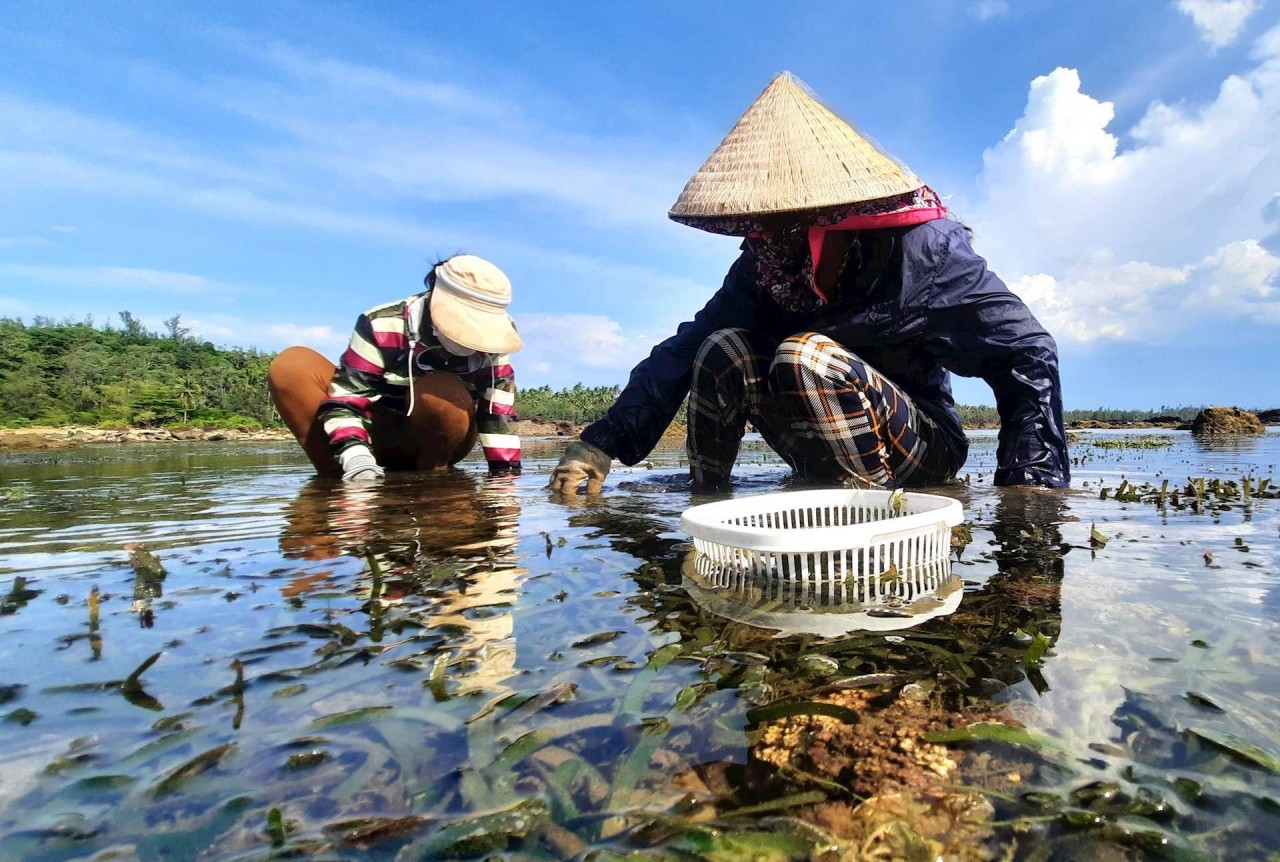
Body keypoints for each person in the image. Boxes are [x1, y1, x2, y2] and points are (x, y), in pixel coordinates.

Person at [549, 72, 1068, 495]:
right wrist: (600, 446)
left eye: (792, 224)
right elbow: (683, 350)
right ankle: (709, 499)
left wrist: (1028, 488)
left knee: (804, 355)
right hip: (818, 433)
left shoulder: (924, 252)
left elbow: (1027, 352)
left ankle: (866, 521)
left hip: (920, 443)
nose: (774, 238)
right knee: (721, 348)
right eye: (765, 224)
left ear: (840, 213)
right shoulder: (765, 266)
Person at [268, 254, 522, 482]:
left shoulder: (496, 341)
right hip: (377, 432)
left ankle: (436, 483)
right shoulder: (381, 324)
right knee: (293, 367)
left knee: (439, 389)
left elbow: (497, 414)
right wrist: (356, 459)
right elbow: (348, 399)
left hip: (441, 440)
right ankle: (338, 478)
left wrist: (505, 481)